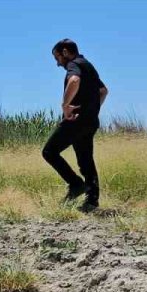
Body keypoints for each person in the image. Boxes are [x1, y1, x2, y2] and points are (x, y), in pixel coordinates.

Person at [42, 39, 108, 212]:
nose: (57, 64)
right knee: (86, 160)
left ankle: (76, 184)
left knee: (49, 152)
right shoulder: (88, 66)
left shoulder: (74, 64)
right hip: (90, 121)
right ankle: (92, 201)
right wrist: (92, 110)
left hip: (75, 120)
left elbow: (74, 81)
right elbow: (103, 91)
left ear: (65, 52)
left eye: (57, 58)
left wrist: (65, 105)